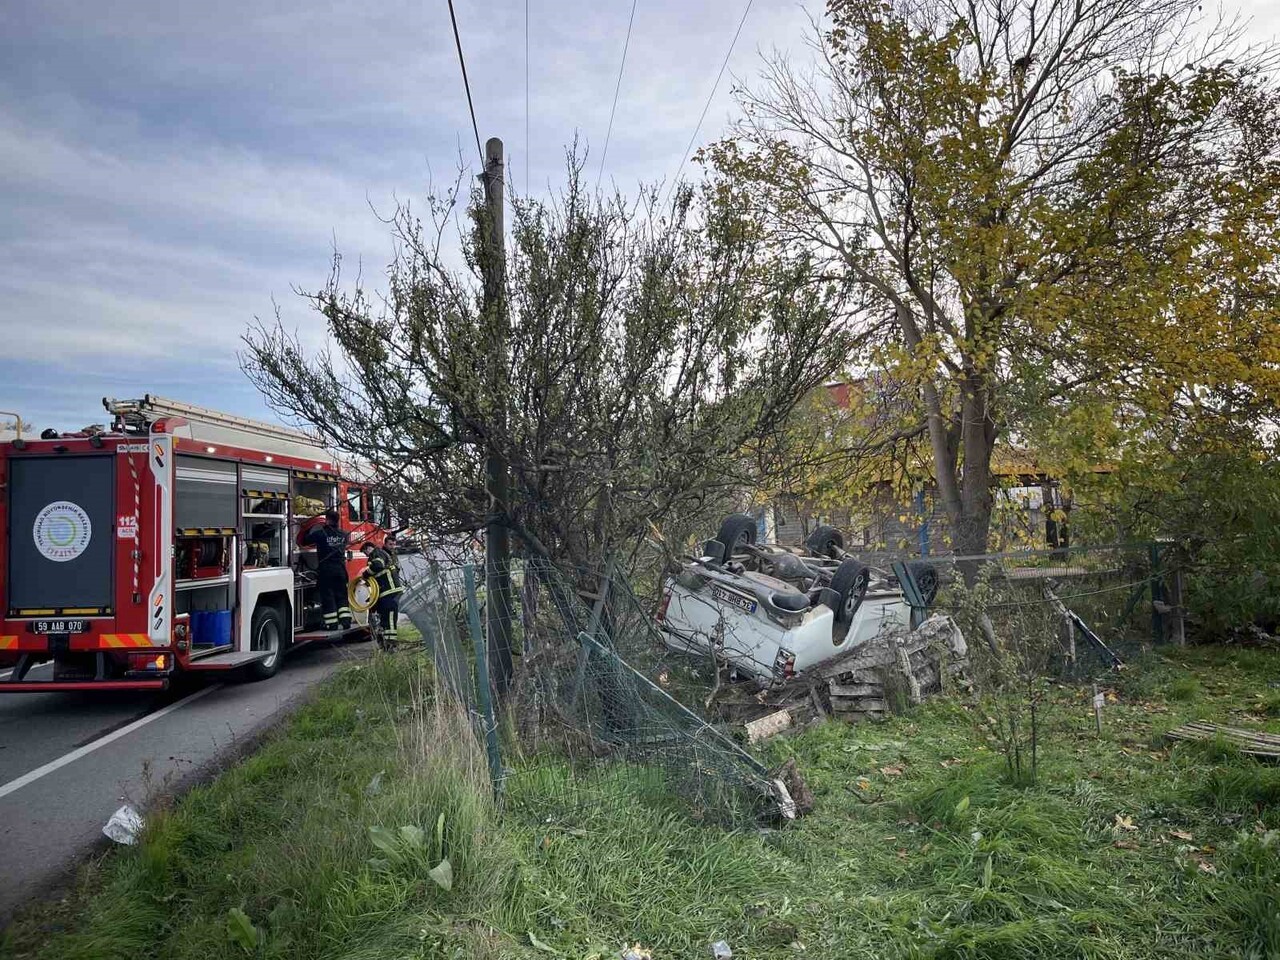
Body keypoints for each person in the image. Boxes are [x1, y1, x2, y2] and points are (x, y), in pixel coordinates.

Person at [306, 509, 351, 631]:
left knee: (328, 596)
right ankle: (346, 621)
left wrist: (308, 525)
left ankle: (332, 624)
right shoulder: (344, 534)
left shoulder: (321, 534)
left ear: (327, 520)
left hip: (326, 570)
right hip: (341, 570)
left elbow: (305, 540)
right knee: (342, 596)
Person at [361, 538, 404, 645]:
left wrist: (366, 574)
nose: (366, 555)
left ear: (368, 548)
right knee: (386, 617)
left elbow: (378, 566)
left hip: (389, 591)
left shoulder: (376, 553)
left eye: (365, 552)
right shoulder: (384, 553)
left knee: (389, 617)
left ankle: (390, 643)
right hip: (388, 591)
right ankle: (386, 641)